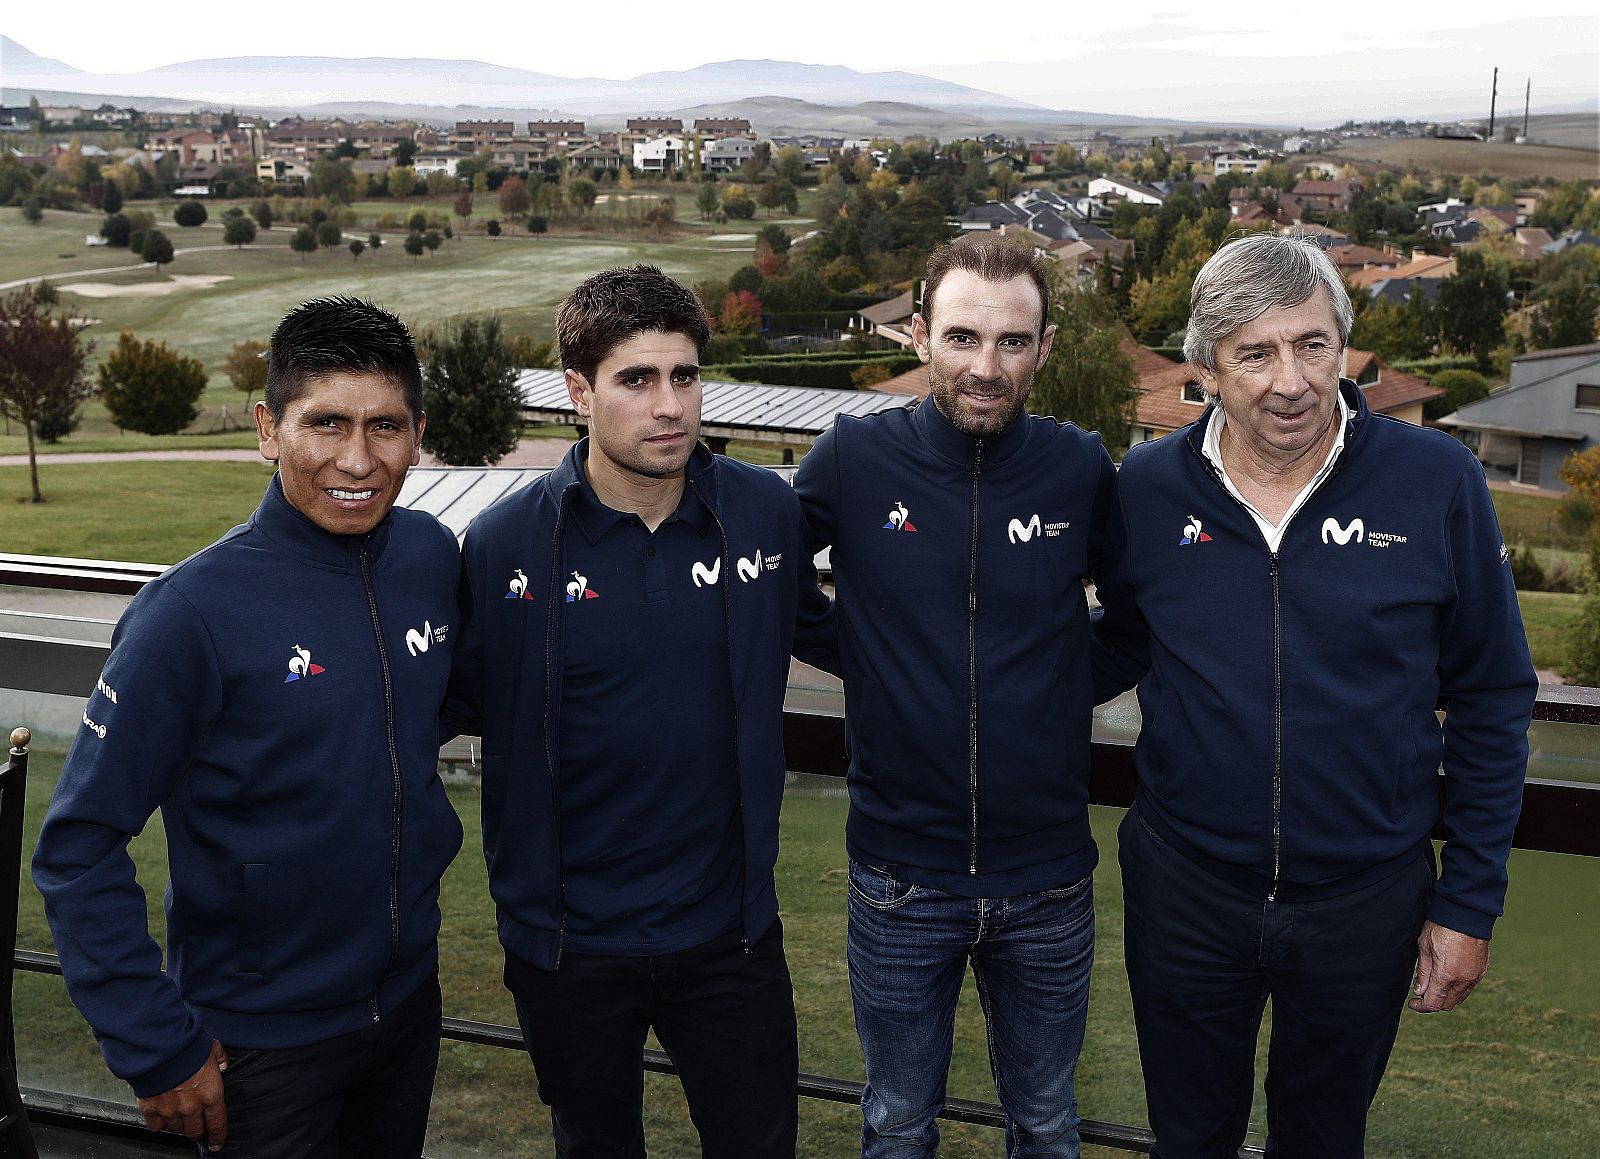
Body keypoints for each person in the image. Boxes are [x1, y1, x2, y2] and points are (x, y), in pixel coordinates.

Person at [1093, 231, 1537, 1158]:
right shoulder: (1147, 488)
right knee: (1188, 1136)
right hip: (1187, 891)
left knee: (1325, 1140)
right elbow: (1120, 643)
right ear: (1207, 366)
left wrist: (1468, 904)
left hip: (1365, 902)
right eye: (1254, 353)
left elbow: (1494, 693)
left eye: (1313, 345)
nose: (1291, 380)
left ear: (1343, 343)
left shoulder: (1437, 481)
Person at [33, 297, 463, 1157]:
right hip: (259, 1048)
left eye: (385, 426)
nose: (357, 458)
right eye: (326, 423)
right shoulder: (189, 613)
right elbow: (76, 846)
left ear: (418, 431)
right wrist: (153, 1043)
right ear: (269, 428)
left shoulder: (430, 558)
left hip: (407, 1012)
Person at [445, 265, 832, 1159]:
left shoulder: (767, 515)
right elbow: (432, 697)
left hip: (729, 938)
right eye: (637, 379)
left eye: (686, 376)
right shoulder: (502, 547)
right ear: (578, 391)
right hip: (570, 949)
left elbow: (854, 639)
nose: (670, 406)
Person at [792, 238, 1123, 1157]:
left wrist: (1061, 690)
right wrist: (860, 652)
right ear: (918, 335)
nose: (987, 366)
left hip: (1049, 880)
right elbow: (773, 570)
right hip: (900, 877)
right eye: (964, 337)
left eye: (1013, 342)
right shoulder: (854, 456)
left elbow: (1138, 614)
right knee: (898, 1119)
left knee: (1050, 1123)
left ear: (1045, 347)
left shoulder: (1079, 467)